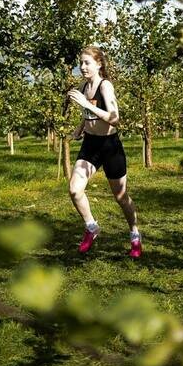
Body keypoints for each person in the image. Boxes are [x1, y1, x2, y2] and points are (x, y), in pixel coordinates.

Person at [66, 46, 141, 258]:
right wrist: (79, 129)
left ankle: (135, 234)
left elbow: (115, 118)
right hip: (90, 145)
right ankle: (91, 227)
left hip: (110, 146)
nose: (82, 67)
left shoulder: (105, 86)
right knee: (74, 190)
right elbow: (87, 112)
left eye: (87, 63)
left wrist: (85, 106)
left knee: (121, 196)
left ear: (99, 64)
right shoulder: (83, 86)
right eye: (81, 63)